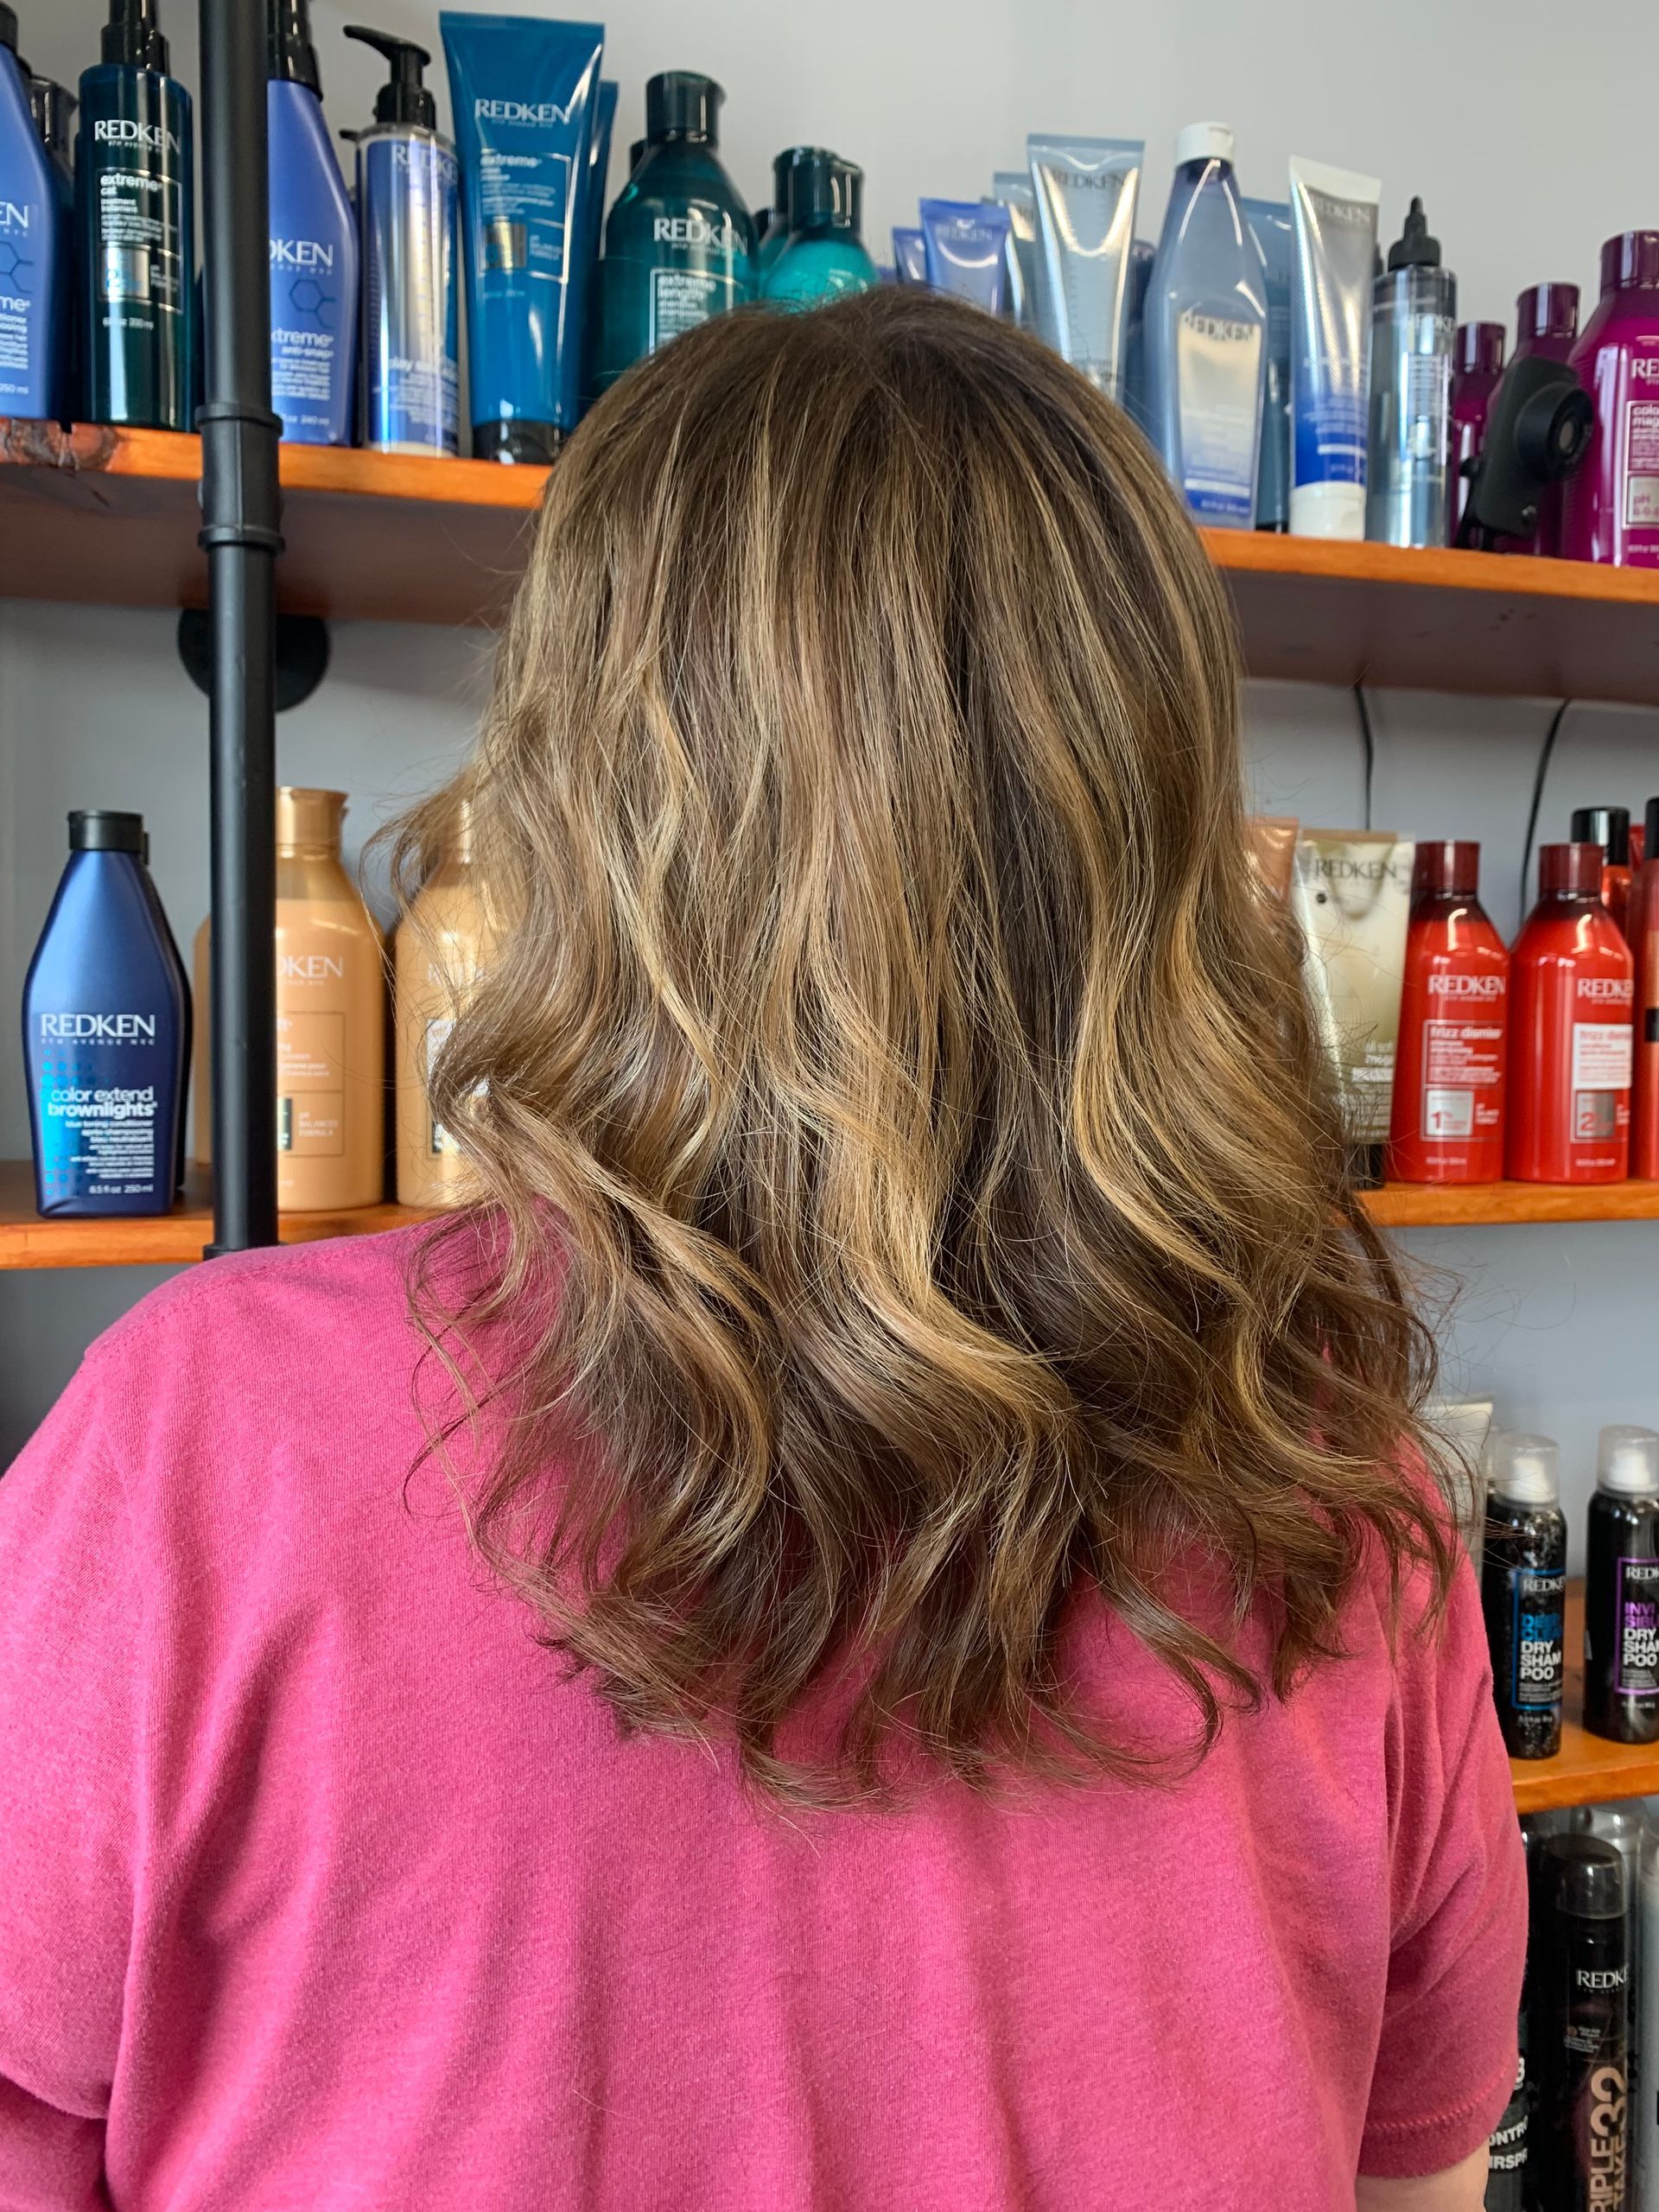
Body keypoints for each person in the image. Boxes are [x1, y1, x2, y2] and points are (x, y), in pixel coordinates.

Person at [0, 289, 1522, 2210]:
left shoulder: (202, 1449)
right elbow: (1421, 2179)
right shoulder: (1342, 1493)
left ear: (584, 798)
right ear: (1150, 839)